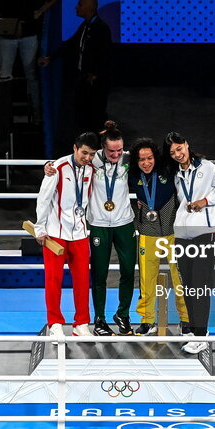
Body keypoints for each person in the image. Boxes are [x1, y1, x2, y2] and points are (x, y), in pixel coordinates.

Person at [166, 131, 215, 354]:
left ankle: (202, 334)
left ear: (187, 144)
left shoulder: (208, 167)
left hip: (205, 232)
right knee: (187, 284)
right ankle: (192, 330)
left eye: (180, 148)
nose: (178, 154)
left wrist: (206, 201)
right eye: (173, 152)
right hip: (182, 233)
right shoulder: (175, 174)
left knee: (201, 284)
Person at [33, 131, 99, 338]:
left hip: (79, 233)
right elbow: (44, 199)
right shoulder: (57, 168)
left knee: (82, 280)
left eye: (91, 154)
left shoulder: (92, 169)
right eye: (84, 153)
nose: (87, 158)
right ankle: (55, 323)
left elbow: (117, 154)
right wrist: (40, 228)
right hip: (55, 233)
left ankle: (81, 323)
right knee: (53, 280)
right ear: (75, 148)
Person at [129, 137, 189, 336]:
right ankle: (147, 320)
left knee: (179, 278)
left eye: (149, 158)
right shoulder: (132, 175)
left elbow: (187, 158)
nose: (146, 163)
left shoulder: (168, 169)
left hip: (174, 231)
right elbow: (106, 160)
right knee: (146, 279)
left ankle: (186, 320)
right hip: (147, 232)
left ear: (156, 157)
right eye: (141, 160)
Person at [0, 0, 58, 113]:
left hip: (29, 34)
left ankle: (36, 112)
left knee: (31, 76)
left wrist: (42, 10)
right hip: (7, 35)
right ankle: (3, 115)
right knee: (4, 75)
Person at [88, 123, 138, 335]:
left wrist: (213, 165)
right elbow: (69, 159)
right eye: (111, 151)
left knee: (128, 270)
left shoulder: (128, 159)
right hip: (99, 225)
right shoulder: (92, 159)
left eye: (119, 150)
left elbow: (158, 161)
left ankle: (123, 315)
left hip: (124, 223)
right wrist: (48, 164)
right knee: (99, 274)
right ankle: (99, 319)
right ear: (102, 148)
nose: (116, 154)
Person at [40, 0, 112, 134]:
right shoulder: (85, 25)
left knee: (96, 116)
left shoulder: (101, 28)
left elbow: (105, 55)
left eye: (80, 4)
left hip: (95, 82)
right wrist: (50, 58)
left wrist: (95, 74)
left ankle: (99, 147)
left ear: (89, 7)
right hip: (84, 78)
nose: (76, 7)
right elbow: (71, 44)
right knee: (82, 115)